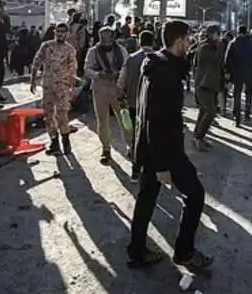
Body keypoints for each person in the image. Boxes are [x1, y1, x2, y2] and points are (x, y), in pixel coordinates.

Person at [128, 20, 213, 270]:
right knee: (195, 195)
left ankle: (137, 250)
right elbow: (156, 120)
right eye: (188, 40)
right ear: (178, 41)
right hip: (164, 151)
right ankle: (184, 252)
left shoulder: (158, 64)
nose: (190, 44)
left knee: (146, 199)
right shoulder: (165, 73)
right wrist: (162, 165)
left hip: (152, 147)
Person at [30, 22, 77, 156]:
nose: (60, 33)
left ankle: (66, 142)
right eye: (58, 31)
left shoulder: (70, 50)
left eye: (63, 31)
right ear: (55, 32)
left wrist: (71, 87)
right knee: (48, 114)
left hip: (62, 87)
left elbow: (73, 70)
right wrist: (33, 80)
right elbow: (36, 62)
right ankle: (54, 142)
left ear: (66, 33)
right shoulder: (46, 46)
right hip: (48, 86)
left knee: (62, 114)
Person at [85, 26, 129, 165]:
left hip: (118, 87)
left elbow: (127, 67)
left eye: (109, 36)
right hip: (100, 87)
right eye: (103, 36)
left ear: (113, 36)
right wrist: (99, 74)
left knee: (124, 118)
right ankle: (106, 149)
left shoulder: (121, 51)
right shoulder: (93, 51)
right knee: (102, 120)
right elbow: (87, 69)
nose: (106, 39)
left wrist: (119, 76)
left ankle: (131, 146)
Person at [118, 30, 155, 181]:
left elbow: (121, 81)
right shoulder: (157, 59)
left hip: (134, 104)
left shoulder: (131, 59)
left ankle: (135, 170)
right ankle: (151, 170)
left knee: (136, 138)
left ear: (139, 42)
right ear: (153, 42)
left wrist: (121, 97)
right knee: (152, 137)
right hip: (153, 106)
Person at [192, 24, 223, 150]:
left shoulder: (212, 46)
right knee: (211, 111)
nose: (219, 37)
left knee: (204, 111)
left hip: (211, 84)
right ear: (211, 34)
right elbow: (215, 60)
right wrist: (219, 46)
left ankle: (198, 136)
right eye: (217, 34)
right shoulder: (205, 47)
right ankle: (198, 137)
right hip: (204, 84)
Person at [224, 25, 252, 126]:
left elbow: (227, 59)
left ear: (238, 32)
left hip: (237, 72)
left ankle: (237, 116)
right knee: (248, 94)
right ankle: (247, 114)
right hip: (249, 72)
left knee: (237, 94)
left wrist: (228, 72)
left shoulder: (233, 43)